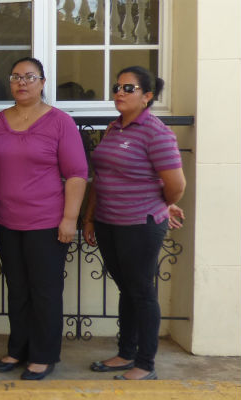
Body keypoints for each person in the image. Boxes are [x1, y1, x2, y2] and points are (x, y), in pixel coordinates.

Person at [0, 57, 88, 380]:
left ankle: (43, 354)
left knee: (44, 290)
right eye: (16, 77)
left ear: (43, 83)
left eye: (30, 77)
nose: (22, 83)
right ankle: (19, 348)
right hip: (6, 220)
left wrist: (70, 219)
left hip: (47, 221)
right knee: (17, 289)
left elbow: (76, 174)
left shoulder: (60, 122)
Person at [83, 66, 186, 380]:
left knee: (141, 292)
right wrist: (88, 218)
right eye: (117, 87)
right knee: (127, 289)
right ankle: (125, 353)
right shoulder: (115, 127)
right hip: (107, 222)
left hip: (139, 224)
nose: (119, 93)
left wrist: (162, 204)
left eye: (129, 88)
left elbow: (176, 184)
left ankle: (145, 363)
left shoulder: (156, 132)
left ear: (148, 96)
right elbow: (100, 179)